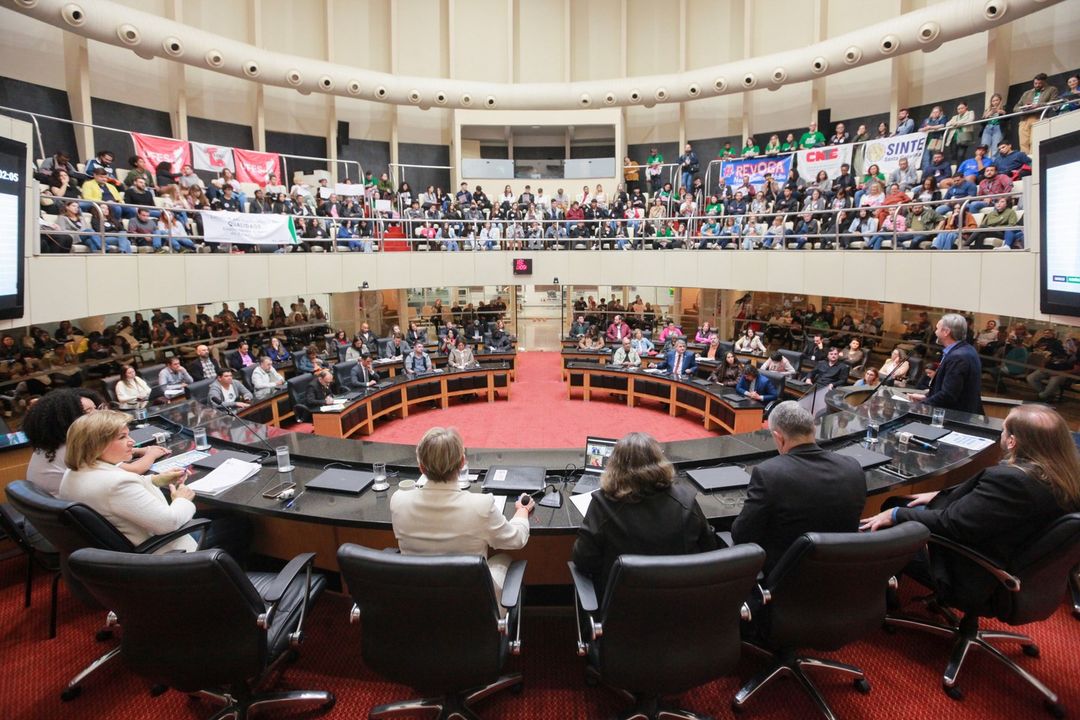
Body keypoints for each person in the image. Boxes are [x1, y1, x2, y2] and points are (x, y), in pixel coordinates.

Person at [860, 404, 1080, 601]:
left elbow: (952, 524)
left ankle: (876, 598)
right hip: (1009, 551)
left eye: (1003, 430)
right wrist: (940, 493)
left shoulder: (1012, 481)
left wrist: (896, 514)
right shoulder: (1066, 475)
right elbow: (993, 507)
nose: (1001, 435)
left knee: (887, 516)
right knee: (901, 502)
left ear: (1012, 441)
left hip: (969, 566)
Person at [391, 427, 532, 604]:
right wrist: (522, 511)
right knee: (503, 558)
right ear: (462, 462)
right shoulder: (480, 506)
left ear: (421, 468)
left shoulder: (398, 501)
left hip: (417, 602)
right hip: (471, 608)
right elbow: (516, 539)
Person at [571, 432, 717, 598]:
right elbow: (709, 548)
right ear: (660, 462)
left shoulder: (603, 505)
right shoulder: (686, 501)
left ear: (614, 467)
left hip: (622, 610)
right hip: (681, 605)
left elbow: (583, 560)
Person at [731, 401, 866, 572]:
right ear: (813, 429)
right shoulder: (852, 467)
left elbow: (742, 535)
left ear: (778, 437)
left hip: (785, 578)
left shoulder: (769, 473)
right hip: (842, 571)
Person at [58, 410, 197, 553]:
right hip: (168, 553)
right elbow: (170, 522)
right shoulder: (116, 484)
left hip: (119, 556)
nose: (132, 442)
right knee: (220, 523)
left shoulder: (73, 472)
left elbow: (121, 497)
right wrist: (181, 499)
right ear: (97, 445)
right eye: (122, 437)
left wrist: (155, 480)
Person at [24, 389, 169, 496]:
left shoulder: (52, 444)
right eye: (88, 411)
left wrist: (138, 450)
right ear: (67, 418)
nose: (98, 414)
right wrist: (152, 454)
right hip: (74, 523)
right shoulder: (74, 447)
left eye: (97, 408)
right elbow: (132, 470)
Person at [909, 313, 983, 415]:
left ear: (946, 332)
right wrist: (927, 397)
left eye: (937, 329)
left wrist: (922, 404)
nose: (935, 332)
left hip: (956, 417)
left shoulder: (958, 357)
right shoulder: (967, 349)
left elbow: (949, 395)